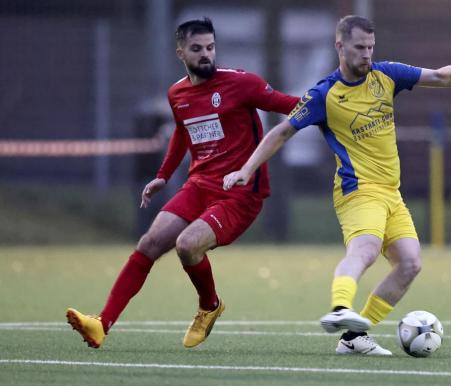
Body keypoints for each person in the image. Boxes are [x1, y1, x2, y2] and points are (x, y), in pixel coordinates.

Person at [223, 15, 451, 356]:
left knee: (410, 264)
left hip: (391, 192)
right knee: (366, 249)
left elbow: (436, 75)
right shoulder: (324, 94)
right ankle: (339, 307)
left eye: (371, 47)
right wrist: (246, 168)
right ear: (340, 46)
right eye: (360, 47)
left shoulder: (386, 74)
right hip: (357, 190)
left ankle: (352, 339)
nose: (367, 54)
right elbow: (282, 132)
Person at [66, 18, 299, 349]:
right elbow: (181, 132)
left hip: (239, 194)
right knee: (149, 243)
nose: (206, 54)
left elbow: (291, 104)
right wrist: (162, 175)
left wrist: (333, 108)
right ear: (180, 53)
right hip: (199, 185)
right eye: (197, 49)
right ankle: (101, 324)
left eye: (210, 47)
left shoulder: (242, 84)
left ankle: (209, 306)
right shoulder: (177, 93)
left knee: (188, 245)